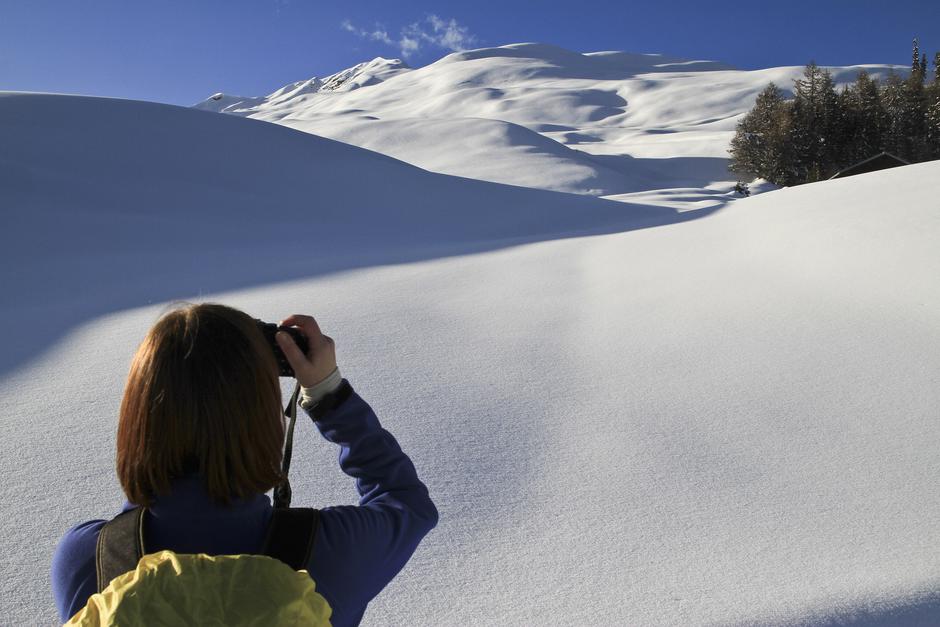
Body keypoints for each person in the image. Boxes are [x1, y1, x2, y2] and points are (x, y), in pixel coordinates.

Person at [51, 303, 438, 626]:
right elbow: (406, 503)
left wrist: (155, 456)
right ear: (264, 419)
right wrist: (328, 394)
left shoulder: (92, 558)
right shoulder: (329, 553)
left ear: (138, 417)